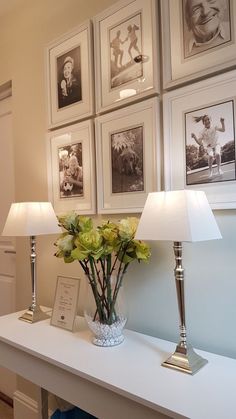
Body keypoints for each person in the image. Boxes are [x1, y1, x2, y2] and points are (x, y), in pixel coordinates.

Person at [191, 114, 225, 178]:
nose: (207, 121)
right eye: (205, 120)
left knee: (217, 154)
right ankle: (210, 171)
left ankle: (219, 169)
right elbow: (200, 143)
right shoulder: (202, 132)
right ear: (203, 123)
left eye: (208, 119)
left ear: (210, 120)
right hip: (209, 146)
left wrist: (222, 122)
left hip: (216, 143)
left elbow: (223, 130)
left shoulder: (214, 126)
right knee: (210, 156)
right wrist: (194, 137)